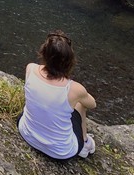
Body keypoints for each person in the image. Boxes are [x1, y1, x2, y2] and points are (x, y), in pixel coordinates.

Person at [18, 30, 97, 160]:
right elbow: (92, 104)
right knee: (80, 105)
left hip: (27, 133)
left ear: (44, 53)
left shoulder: (30, 68)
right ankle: (85, 144)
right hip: (60, 152)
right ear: (70, 61)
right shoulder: (74, 89)